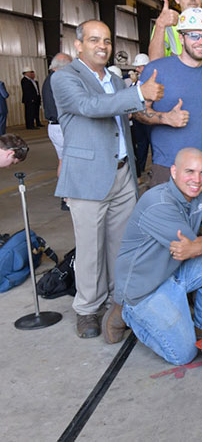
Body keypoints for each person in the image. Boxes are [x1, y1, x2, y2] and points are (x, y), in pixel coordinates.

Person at [52, 19, 164, 338]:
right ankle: (87, 308)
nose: (102, 46)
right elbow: (90, 107)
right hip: (88, 177)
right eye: (94, 40)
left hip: (121, 173)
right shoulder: (65, 78)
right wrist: (137, 93)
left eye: (107, 41)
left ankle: (118, 302)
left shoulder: (113, 81)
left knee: (120, 246)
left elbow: (121, 119)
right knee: (90, 249)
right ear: (78, 45)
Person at [103, 148, 202, 365]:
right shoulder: (159, 202)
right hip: (145, 288)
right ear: (174, 172)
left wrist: (195, 248)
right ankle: (125, 312)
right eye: (190, 171)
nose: (197, 179)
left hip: (173, 271)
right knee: (183, 354)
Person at [134, 8, 202, 201]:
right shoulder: (157, 69)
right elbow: (136, 111)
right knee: (166, 225)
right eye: (194, 36)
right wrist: (165, 118)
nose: (201, 42)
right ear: (181, 37)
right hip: (168, 166)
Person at [42, 52, 73, 210]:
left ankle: (65, 196)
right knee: (70, 162)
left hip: (54, 126)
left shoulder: (48, 80)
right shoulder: (59, 80)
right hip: (63, 126)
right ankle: (67, 198)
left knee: (63, 160)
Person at [127, 53, 151, 177]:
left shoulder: (152, 80)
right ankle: (140, 168)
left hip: (150, 117)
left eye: (139, 67)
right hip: (138, 118)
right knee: (140, 144)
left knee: (153, 143)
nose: (136, 69)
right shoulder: (135, 82)